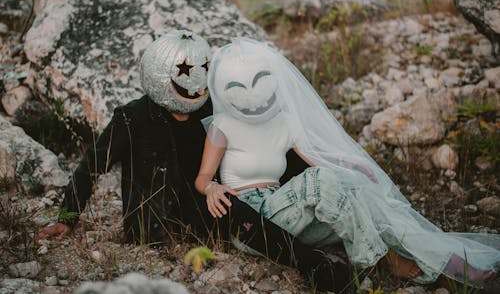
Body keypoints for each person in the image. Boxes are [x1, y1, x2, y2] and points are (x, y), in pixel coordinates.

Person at [38, 30, 353, 292]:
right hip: (158, 223)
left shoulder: (213, 108)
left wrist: (318, 168)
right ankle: (313, 264)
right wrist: (68, 217)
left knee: (235, 203)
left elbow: (260, 143)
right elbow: (91, 165)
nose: (195, 84)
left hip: (208, 210)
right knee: (235, 208)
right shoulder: (131, 119)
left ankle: (323, 259)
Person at [195, 37, 500, 287]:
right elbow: (203, 177)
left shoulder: (285, 121)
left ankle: (446, 262)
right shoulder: (224, 124)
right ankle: (381, 261)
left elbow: (316, 158)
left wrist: (352, 165)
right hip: (256, 220)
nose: (252, 97)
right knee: (320, 181)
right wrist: (210, 188)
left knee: (368, 201)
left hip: (289, 212)